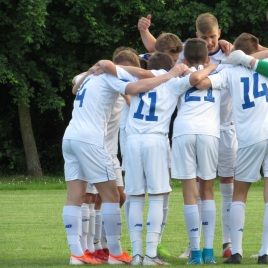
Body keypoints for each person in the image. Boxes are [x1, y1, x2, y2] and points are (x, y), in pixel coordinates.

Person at [62, 50, 185, 265]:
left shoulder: (90, 76)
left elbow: (75, 87)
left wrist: (100, 67)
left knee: (75, 196)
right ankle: (116, 253)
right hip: (91, 140)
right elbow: (136, 88)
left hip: (70, 136)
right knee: (111, 196)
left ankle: (77, 253)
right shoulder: (111, 77)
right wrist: (170, 74)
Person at [138, 13, 235, 259]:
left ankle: (200, 249)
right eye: (206, 38)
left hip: (185, 132)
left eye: (213, 36)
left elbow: (157, 55)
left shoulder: (178, 71)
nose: (211, 41)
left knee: (191, 191)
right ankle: (208, 250)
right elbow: (157, 47)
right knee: (208, 190)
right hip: (210, 132)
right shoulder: (223, 69)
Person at [192, 32, 268, 265]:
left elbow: (200, 82)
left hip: (248, 138)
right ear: (255, 48)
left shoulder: (229, 71)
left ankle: (236, 251)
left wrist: (216, 65)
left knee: (239, 194)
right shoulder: (262, 65)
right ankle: (265, 252)